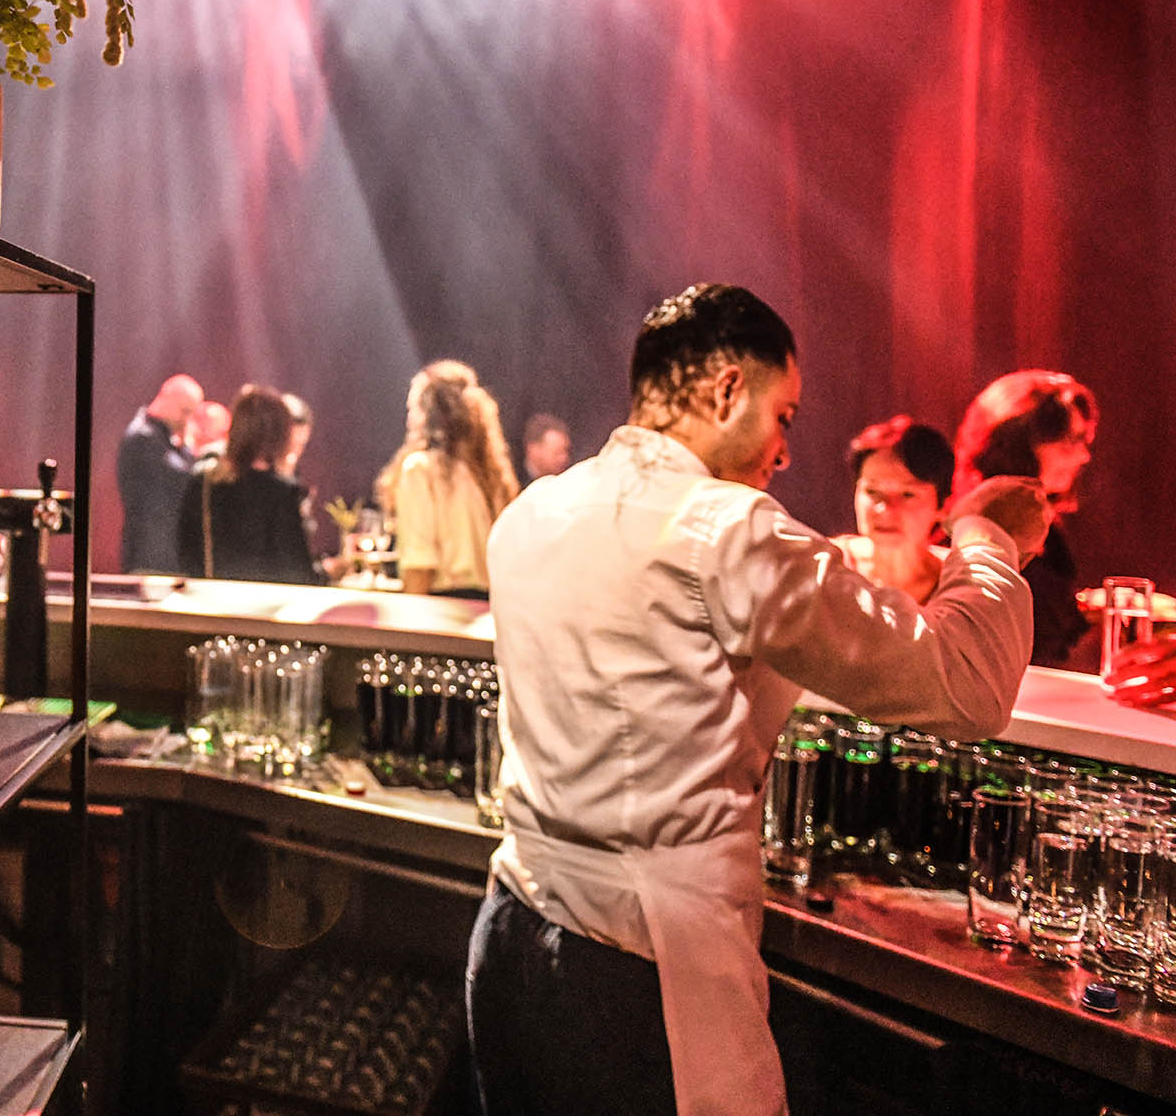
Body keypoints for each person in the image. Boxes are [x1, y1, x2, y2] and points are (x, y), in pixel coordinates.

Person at [469, 283, 1047, 1116]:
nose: (782, 454)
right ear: (726, 389)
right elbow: (965, 684)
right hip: (635, 976)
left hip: (509, 935)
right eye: (783, 417)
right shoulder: (727, 528)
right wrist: (987, 536)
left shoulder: (532, 511)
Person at [954, 370, 1099, 666]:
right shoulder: (975, 535)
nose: (1084, 456)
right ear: (1018, 446)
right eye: (1069, 441)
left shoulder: (1046, 529)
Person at [379, 361, 518, 598]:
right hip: (488, 607)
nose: (409, 418)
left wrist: (409, 616)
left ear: (426, 414)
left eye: (412, 408)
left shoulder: (420, 470)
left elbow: (420, 566)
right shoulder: (487, 476)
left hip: (443, 607)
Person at [175, 385, 318, 585]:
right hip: (264, 601)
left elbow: (186, 549)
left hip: (212, 597)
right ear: (279, 436)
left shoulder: (203, 481)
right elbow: (297, 570)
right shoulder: (280, 493)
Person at [831, 415, 953, 603]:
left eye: (907, 494)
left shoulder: (961, 582)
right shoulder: (825, 567)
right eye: (872, 491)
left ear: (943, 505)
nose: (884, 509)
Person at [116, 374, 203, 573]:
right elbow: (182, 481)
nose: (187, 421)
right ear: (167, 399)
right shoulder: (143, 439)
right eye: (185, 411)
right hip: (151, 559)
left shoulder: (158, 439)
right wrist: (190, 448)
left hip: (159, 557)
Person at [520, 412, 572, 480]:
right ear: (533, 450)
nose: (564, 458)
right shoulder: (513, 480)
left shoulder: (569, 478)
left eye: (566, 451)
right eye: (557, 453)